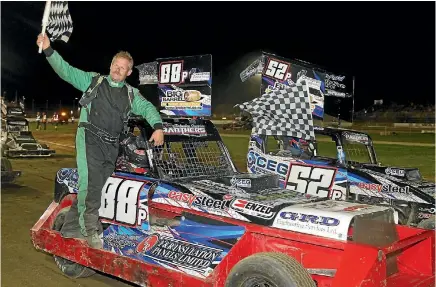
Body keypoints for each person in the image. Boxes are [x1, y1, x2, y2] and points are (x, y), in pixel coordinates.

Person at [36, 33, 164, 249]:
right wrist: (49, 50)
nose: (117, 69)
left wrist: (158, 127)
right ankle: (89, 231)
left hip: (111, 145)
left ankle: (69, 229)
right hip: (89, 139)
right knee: (91, 185)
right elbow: (66, 71)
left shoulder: (132, 95)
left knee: (94, 188)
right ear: (111, 64)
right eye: (116, 65)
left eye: (123, 68)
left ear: (129, 72)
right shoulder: (94, 81)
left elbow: (148, 108)